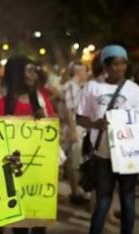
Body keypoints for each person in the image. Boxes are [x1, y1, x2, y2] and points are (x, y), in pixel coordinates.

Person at [76, 45, 139, 234]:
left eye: (123, 64)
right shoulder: (92, 87)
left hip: (127, 156)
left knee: (128, 199)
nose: (119, 68)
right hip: (103, 155)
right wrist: (95, 124)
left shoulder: (134, 90)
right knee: (103, 200)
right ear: (105, 66)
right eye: (114, 64)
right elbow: (80, 118)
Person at [0, 56, 46, 234]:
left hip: (39, 175)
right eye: (29, 71)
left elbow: (52, 137)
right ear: (17, 75)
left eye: (35, 71)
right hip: (15, 174)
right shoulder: (1, 105)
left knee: (39, 227)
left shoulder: (42, 102)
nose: (34, 75)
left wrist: (44, 120)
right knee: (20, 229)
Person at [62, 61, 88, 204]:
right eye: (84, 71)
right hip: (75, 127)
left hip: (80, 126)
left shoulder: (80, 87)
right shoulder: (70, 87)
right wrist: (73, 130)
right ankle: (75, 192)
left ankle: (77, 191)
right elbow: (68, 110)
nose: (86, 74)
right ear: (78, 73)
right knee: (74, 161)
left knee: (75, 159)